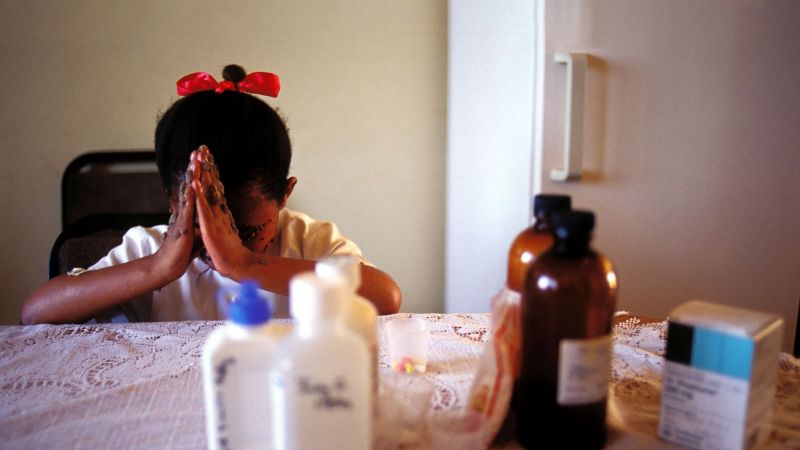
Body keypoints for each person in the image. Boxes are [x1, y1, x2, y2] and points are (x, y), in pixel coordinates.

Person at [21, 65, 402, 324]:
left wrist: (246, 264)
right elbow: (36, 311)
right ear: (172, 203)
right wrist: (158, 268)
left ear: (285, 195)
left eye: (248, 231)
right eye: (199, 225)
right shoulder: (150, 250)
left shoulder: (307, 241)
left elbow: (386, 296)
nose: (220, 244)